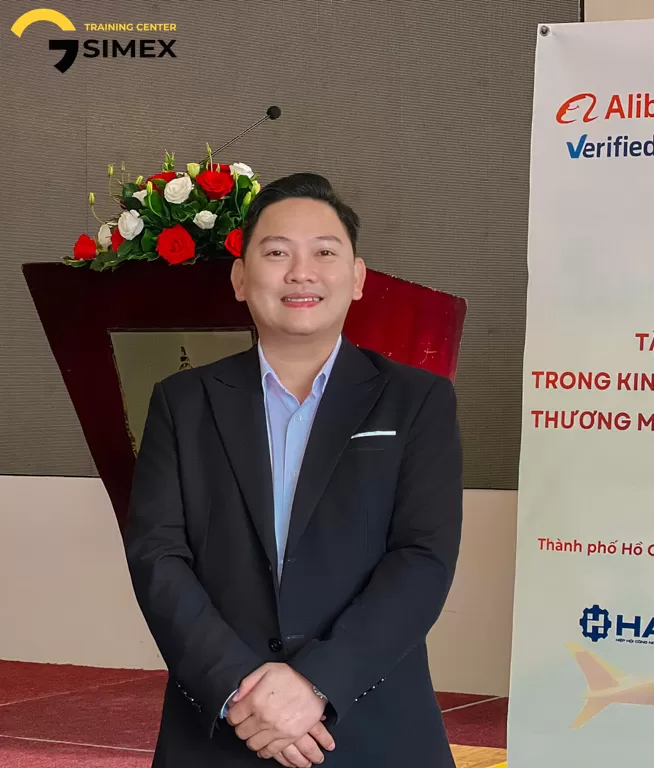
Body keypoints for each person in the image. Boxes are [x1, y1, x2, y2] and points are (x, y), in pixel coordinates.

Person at [123, 172, 463, 767]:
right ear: (239, 278)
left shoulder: (416, 401)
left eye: (324, 253)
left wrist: (318, 685)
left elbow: (422, 557)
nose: (301, 273)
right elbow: (157, 555)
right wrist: (238, 688)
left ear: (357, 278)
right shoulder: (182, 402)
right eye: (277, 252)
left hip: (371, 721)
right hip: (224, 727)